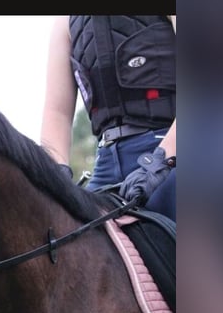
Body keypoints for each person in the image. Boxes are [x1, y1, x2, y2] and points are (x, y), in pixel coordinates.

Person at [40, 15, 176, 222]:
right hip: (105, 164)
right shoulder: (65, 22)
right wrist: (55, 174)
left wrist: (161, 160)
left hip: (173, 152)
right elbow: (56, 112)